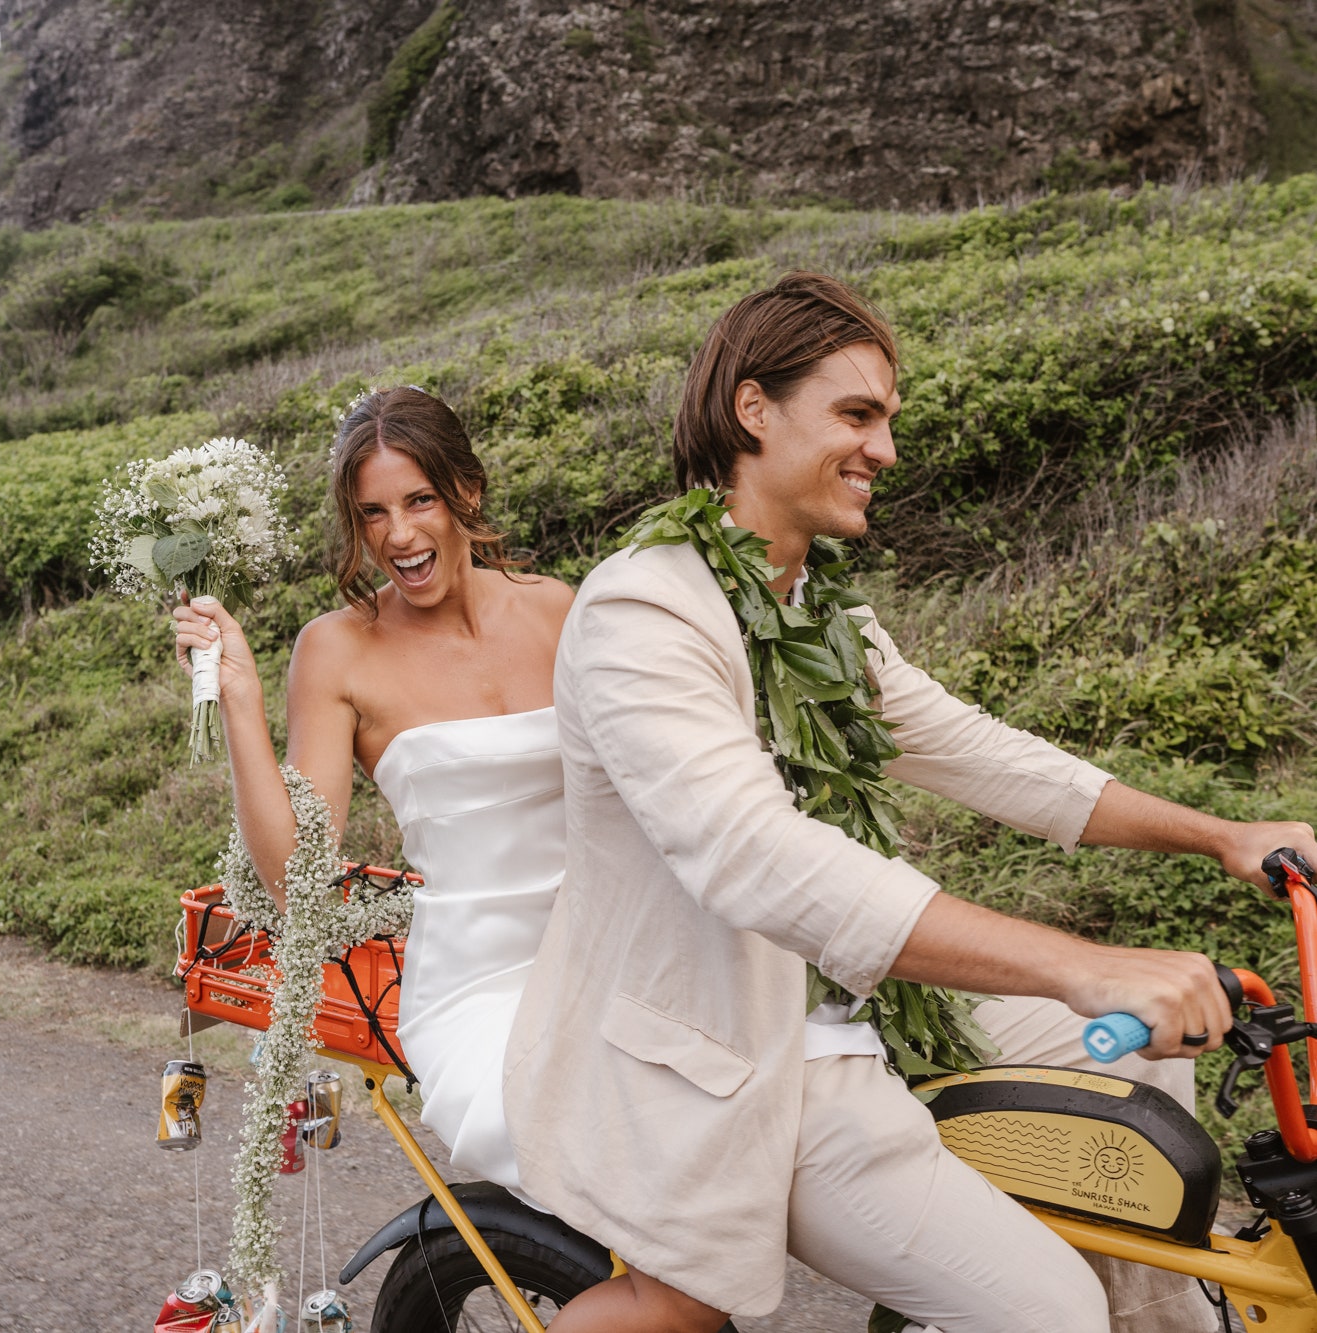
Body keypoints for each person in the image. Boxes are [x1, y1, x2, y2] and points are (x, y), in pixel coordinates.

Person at [503, 272, 1317, 1333]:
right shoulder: (644, 610)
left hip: (863, 1004)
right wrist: (1085, 963)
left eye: (886, 419)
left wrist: (1219, 834)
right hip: (746, 1054)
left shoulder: (820, 610)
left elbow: (980, 751)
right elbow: (754, 856)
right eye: (855, 414)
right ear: (753, 409)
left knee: (1151, 1086)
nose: (883, 448)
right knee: (1047, 1311)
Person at [173, 386, 573, 1195]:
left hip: (609, 952)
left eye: (419, 499)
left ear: (467, 490)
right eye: (372, 513)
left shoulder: (560, 608)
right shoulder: (337, 651)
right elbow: (297, 881)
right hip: (479, 984)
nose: (398, 535)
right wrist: (241, 703)